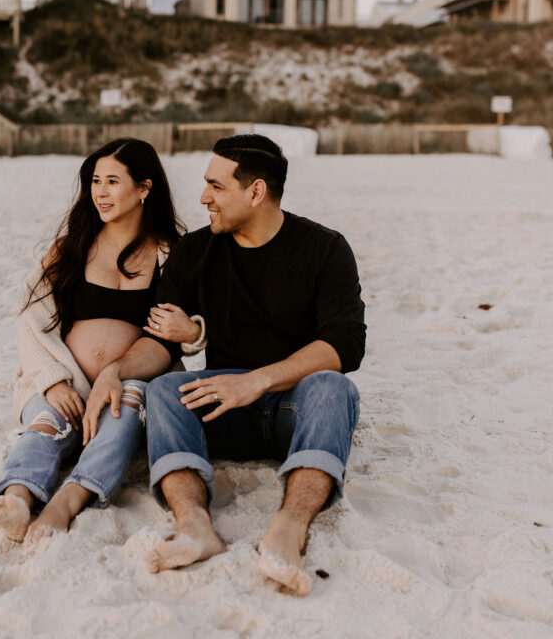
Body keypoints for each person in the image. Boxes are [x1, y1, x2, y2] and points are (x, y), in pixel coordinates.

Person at [83, 134, 365, 596]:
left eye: (216, 187)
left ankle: (289, 528)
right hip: (223, 405)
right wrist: (116, 370)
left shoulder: (325, 249)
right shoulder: (195, 253)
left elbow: (345, 342)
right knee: (161, 391)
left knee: (334, 387)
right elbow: (158, 342)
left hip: (296, 403)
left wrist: (258, 380)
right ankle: (195, 526)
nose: (203, 198)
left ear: (255, 192)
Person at [0, 138, 203, 545]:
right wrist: (53, 379)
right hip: (61, 379)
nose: (100, 192)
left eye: (113, 181)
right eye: (95, 181)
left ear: (144, 188)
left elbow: (177, 335)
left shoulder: (171, 254)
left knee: (124, 413)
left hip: (130, 381)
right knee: (46, 425)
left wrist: (189, 333)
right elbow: (32, 321)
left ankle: (68, 500)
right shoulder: (72, 247)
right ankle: (17, 496)